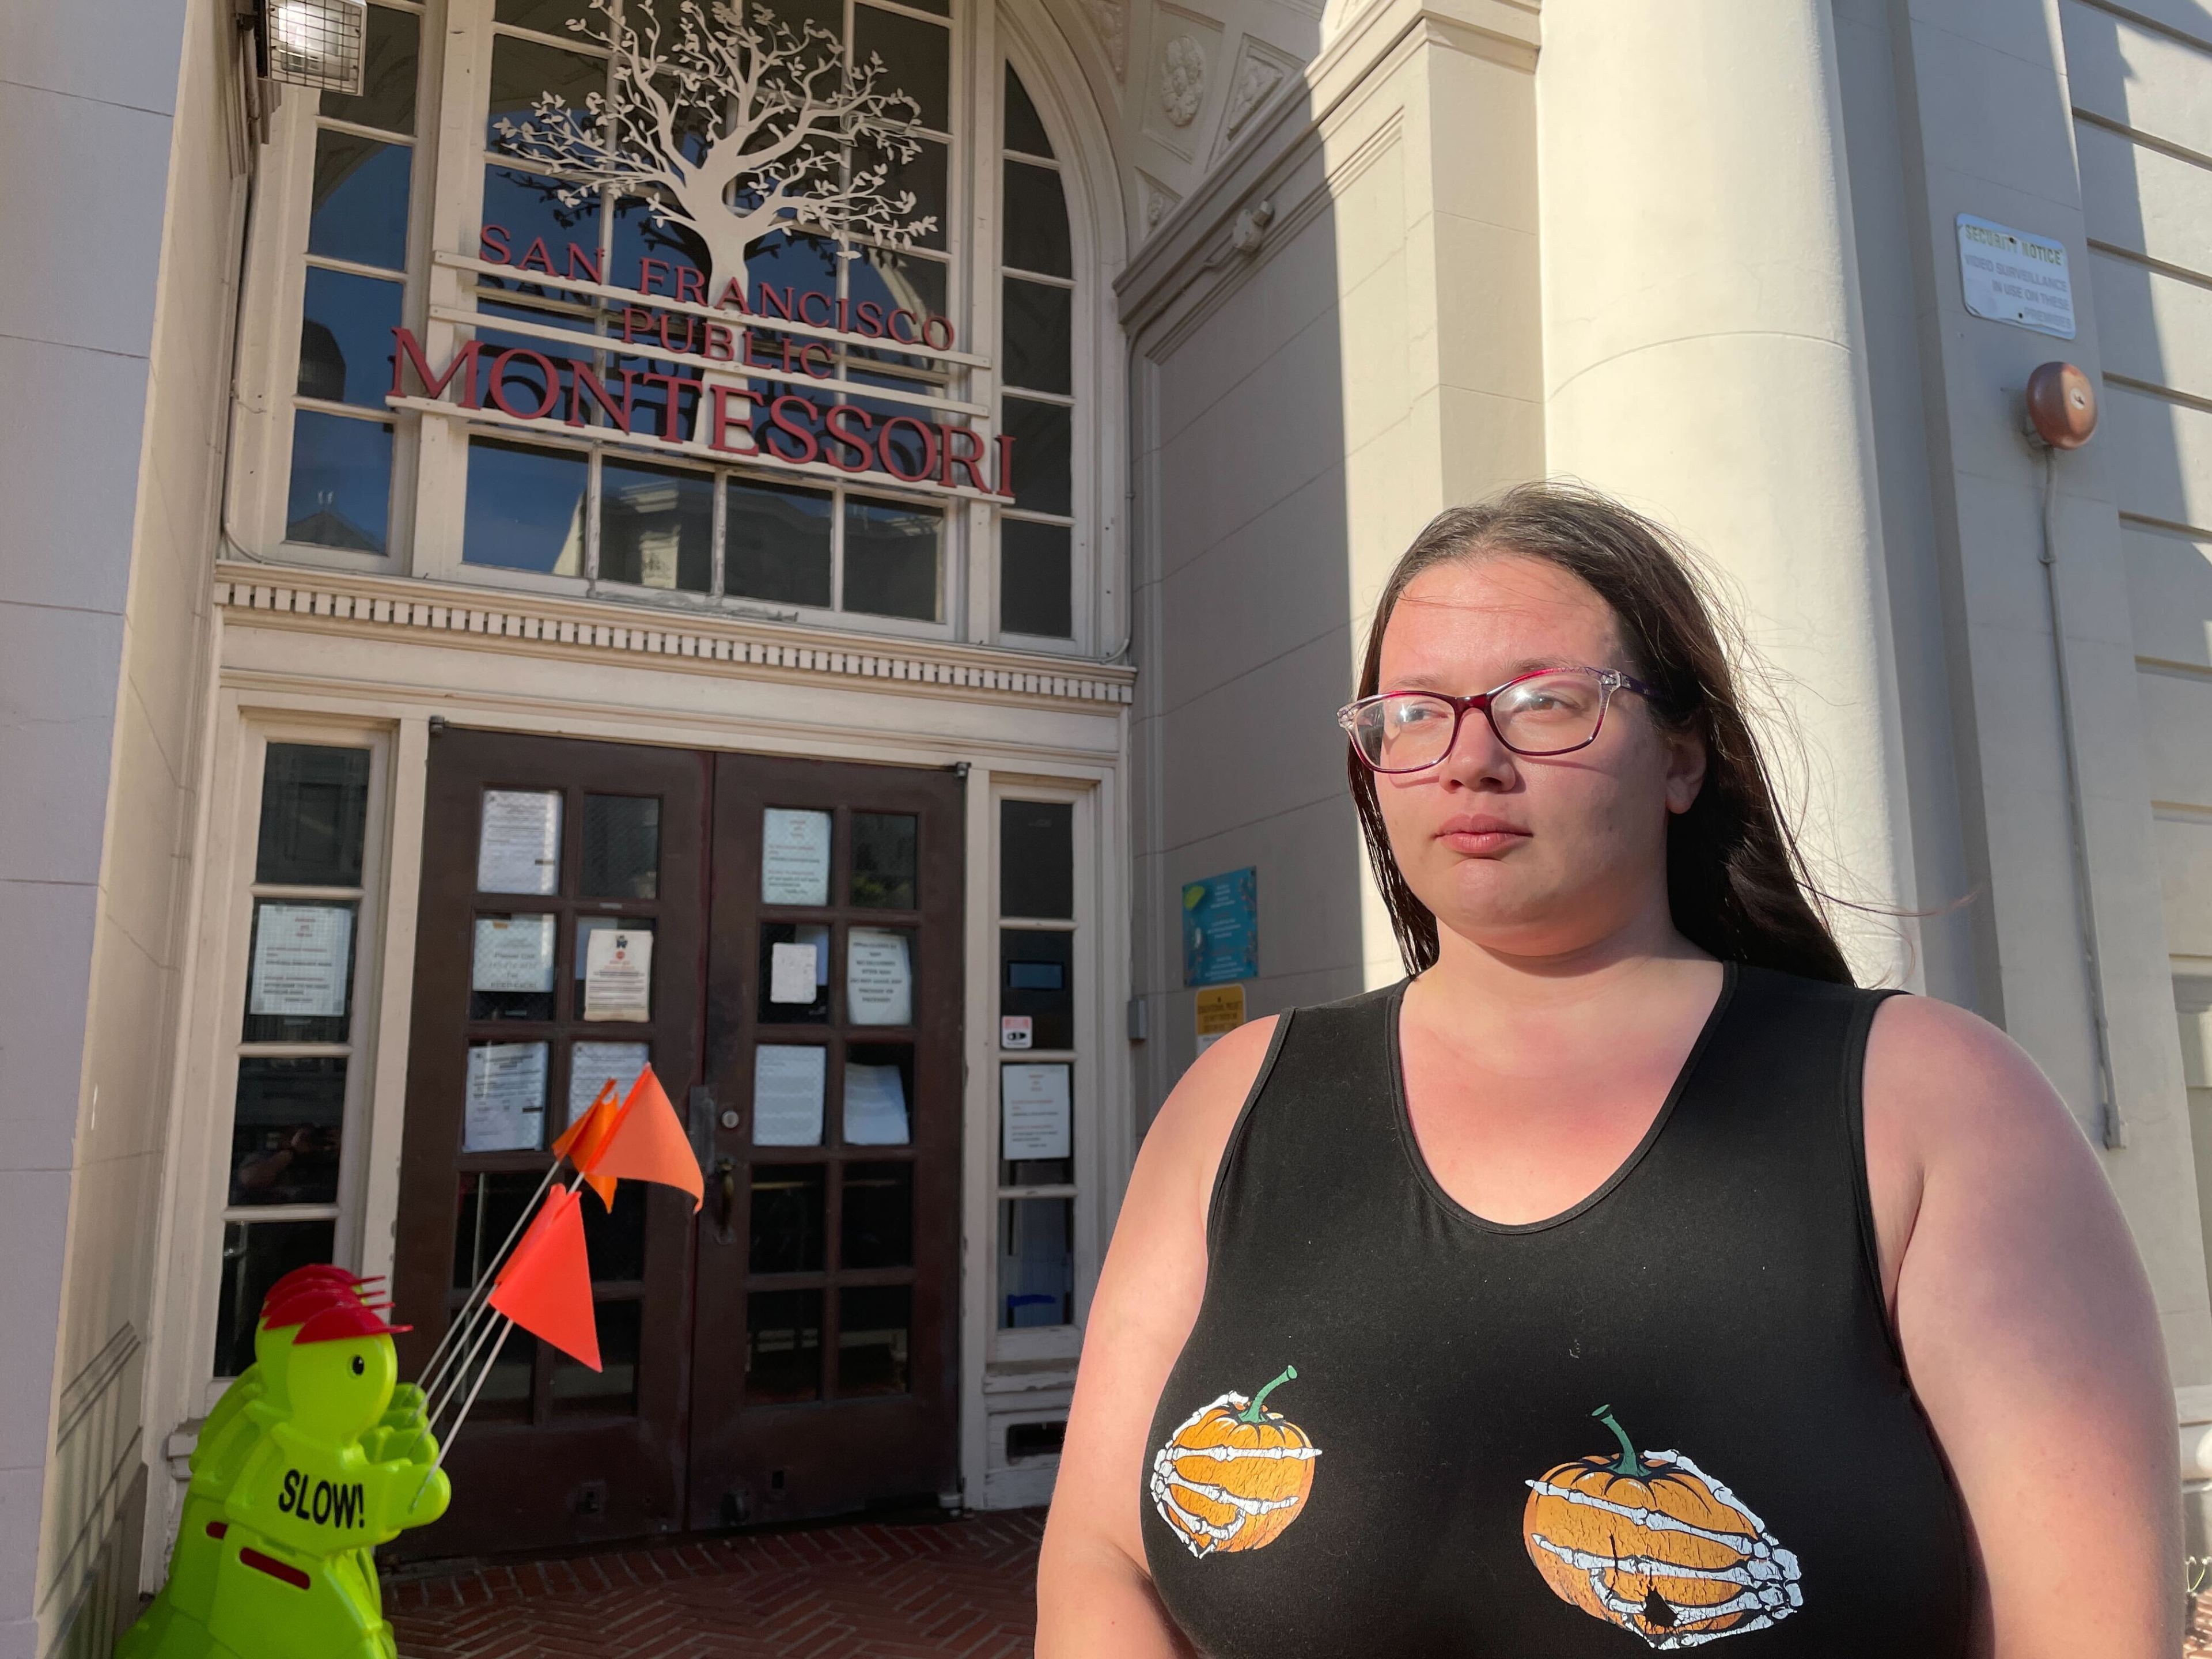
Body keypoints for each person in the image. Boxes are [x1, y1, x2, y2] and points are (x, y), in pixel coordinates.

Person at [1037, 484, 2179, 1657]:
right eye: (1415, 713)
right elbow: (1101, 1559)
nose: (1470, 758)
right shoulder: (1236, 1102)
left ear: (1682, 754)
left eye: (1546, 703)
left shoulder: (1930, 1106)